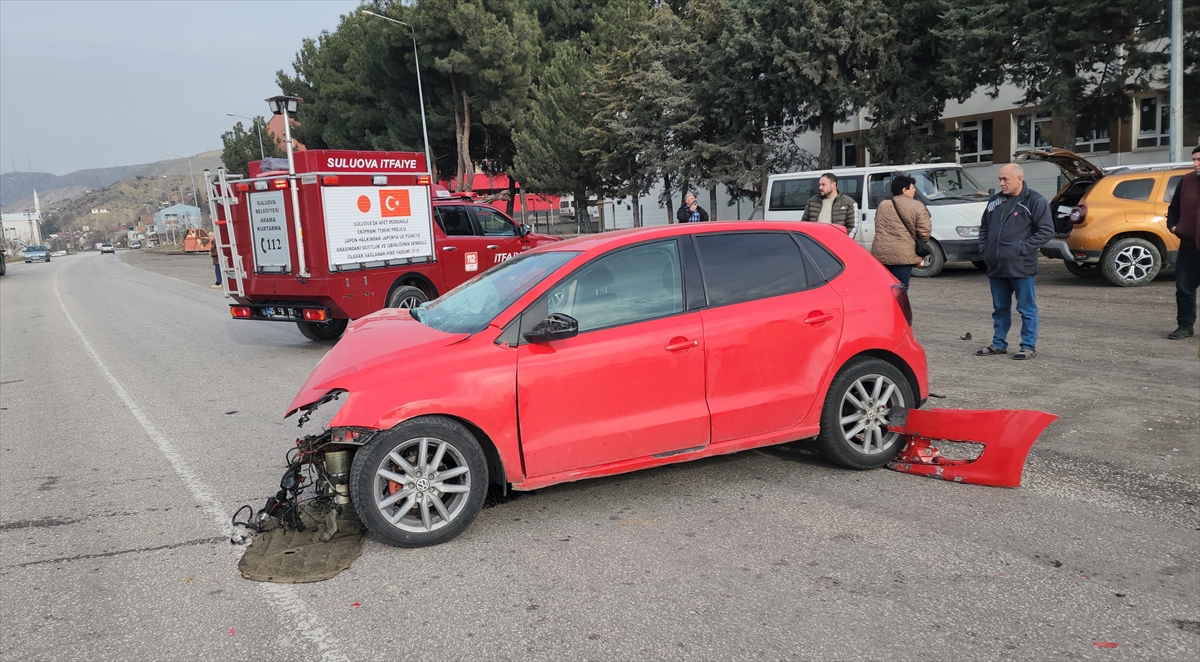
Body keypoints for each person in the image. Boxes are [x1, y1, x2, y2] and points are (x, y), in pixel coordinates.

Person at [976, 163, 1054, 360]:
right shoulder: (994, 202)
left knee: (1026, 308)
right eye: (1000, 179)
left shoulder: (1035, 201)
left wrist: (1021, 249)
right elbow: (984, 228)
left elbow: (1046, 231)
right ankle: (998, 343)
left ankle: (1028, 346)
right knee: (1000, 308)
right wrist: (986, 250)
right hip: (996, 265)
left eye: (1005, 179)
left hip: (1021, 266)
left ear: (1019, 179)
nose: (1001, 183)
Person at [870, 174, 931, 289]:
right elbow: (925, 231)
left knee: (885, 288)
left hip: (881, 253)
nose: (914, 190)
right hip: (903, 255)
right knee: (901, 288)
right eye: (912, 187)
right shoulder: (917, 206)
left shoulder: (883, 204)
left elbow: (877, 225)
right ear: (904, 190)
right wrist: (920, 243)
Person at [1165, 146, 1200, 339]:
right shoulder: (1186, 181)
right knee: (1184, 288)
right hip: (1189, 246)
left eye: (1199, 160)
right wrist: (1174, 227)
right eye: (1194, 159)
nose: (1195, 164)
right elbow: (1174, 208)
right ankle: (1185, 326)